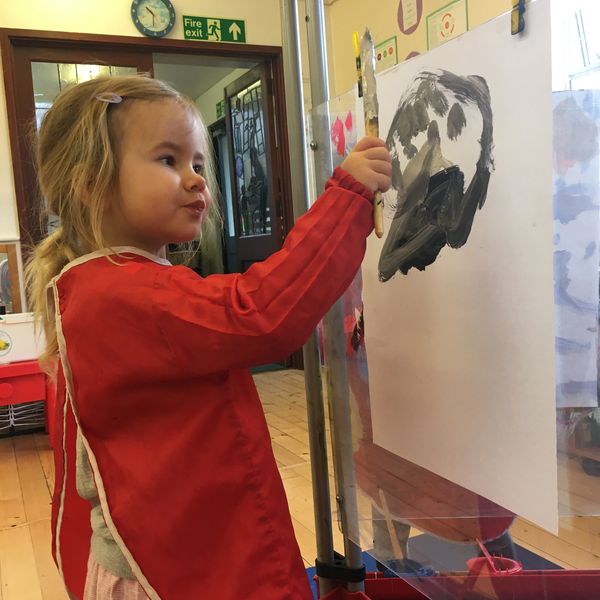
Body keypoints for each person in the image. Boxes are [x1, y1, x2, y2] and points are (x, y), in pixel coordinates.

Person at [25, 74, 391, 600]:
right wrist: (349, 196)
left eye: (198, 163)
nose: (197, 179)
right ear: (92, 184)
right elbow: (261, 312)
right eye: (169, 160)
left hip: (158, 556)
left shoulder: (102, 284)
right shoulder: (122, 294)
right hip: (162, 575)